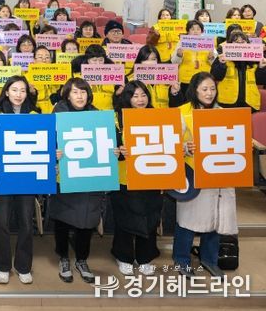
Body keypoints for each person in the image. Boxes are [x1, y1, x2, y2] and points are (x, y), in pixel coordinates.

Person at [51, 77, 116, 284]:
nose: (80, 96)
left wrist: (114, 151)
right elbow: (47, 141)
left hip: (90, 177)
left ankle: (82, 260)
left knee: (87, 221)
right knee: (62, 219)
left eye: (83, 92)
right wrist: (53, 152)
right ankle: (63, 258)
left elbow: (111, 142)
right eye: (75, 92)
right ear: (67, 95)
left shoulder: (98, 116)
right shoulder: (57, 115)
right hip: (65, 175)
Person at [173, 72, 237, 279]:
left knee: (216, 217)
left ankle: (209, 259)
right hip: (193, 174)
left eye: (212, 89)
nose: (209, 93)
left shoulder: (222, 112)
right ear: (195, 90)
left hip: (219, 173)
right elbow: (170, 143)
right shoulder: (182, 112)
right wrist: (185, 147)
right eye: (204, 89)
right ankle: (181, 259)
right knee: (188, 220)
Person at [0, 75, 39, 285]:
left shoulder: (35, 115)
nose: (19, 94)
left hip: (26, 176)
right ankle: (2, 266)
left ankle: (23, 266)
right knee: (1, 222)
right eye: (14, 90)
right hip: (1, 177)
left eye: (23, 90)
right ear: (6, 92)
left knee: (26, 222)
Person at [111, 81, 162, 276]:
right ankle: (123, 256)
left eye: (143, 95)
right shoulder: (117, 117)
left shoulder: (157, 116)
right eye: (135, 96)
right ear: (127, 98)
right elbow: (110, 146)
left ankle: (145, 257)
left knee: (150, 216)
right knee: (125, 218)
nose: (140, 100)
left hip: (152, 174)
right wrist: (119, 151)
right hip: (125, 176)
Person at [211, 30, 266, 112]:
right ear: (230, 44)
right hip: (227, 103)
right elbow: (215, 76)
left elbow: (261, 81)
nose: (240, 44)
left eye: (243, 41)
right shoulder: (222, 58)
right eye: (236, 41)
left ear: (248, 44)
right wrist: (221, 64)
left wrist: (261, 68)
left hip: (250, 103)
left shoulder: (256, 60)